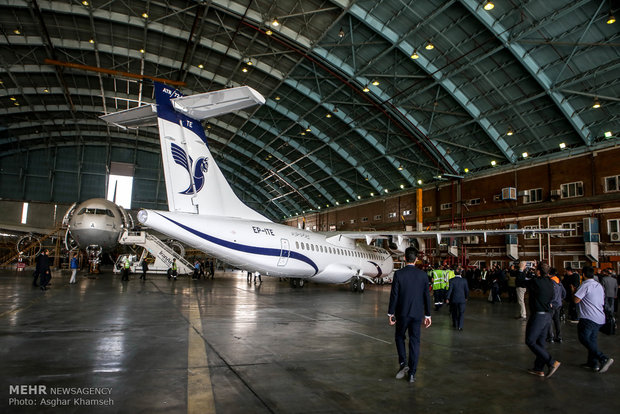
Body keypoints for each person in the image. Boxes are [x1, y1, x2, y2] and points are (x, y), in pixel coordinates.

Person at [387, 247, 432, 383]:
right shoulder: (423, 275)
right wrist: (428, 315)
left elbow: (394, 295)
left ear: (404, 258)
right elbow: (426, 296)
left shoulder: (399, 274)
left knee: (399, 337)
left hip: (402, 314)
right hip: (417, 314)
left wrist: (390, 313)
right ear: (416, 259)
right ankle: (412, 373)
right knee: (414, 342)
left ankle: (403, 363)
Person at [523, 261, 561, 378]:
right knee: (540, 342)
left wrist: (521, 269)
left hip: (538, 315)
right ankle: (538, 368)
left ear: (538, 271)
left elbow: (520, 282)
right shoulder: (550, 282)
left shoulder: (536, 282)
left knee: (530, 341)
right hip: (547, 315)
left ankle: (551, 362)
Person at [575, 266, 614, 373]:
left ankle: (603, 358)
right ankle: (593, 363)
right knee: (592, 340)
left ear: (583, 275)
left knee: (583, 338)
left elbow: (576, 300)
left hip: (588, 317)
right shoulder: (598, 285)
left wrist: (574, 291)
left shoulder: (585, 285)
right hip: (599, 317)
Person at [547, 268, 566, 343]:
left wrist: (551, 302)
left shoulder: (551, 282)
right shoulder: (559, 281)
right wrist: (561, 299)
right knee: (557, 320)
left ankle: (550, 337)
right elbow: (564, 293)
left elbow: (553, 293)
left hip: (553, 304)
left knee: (549, 320)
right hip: (559, 303)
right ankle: (558, 336)